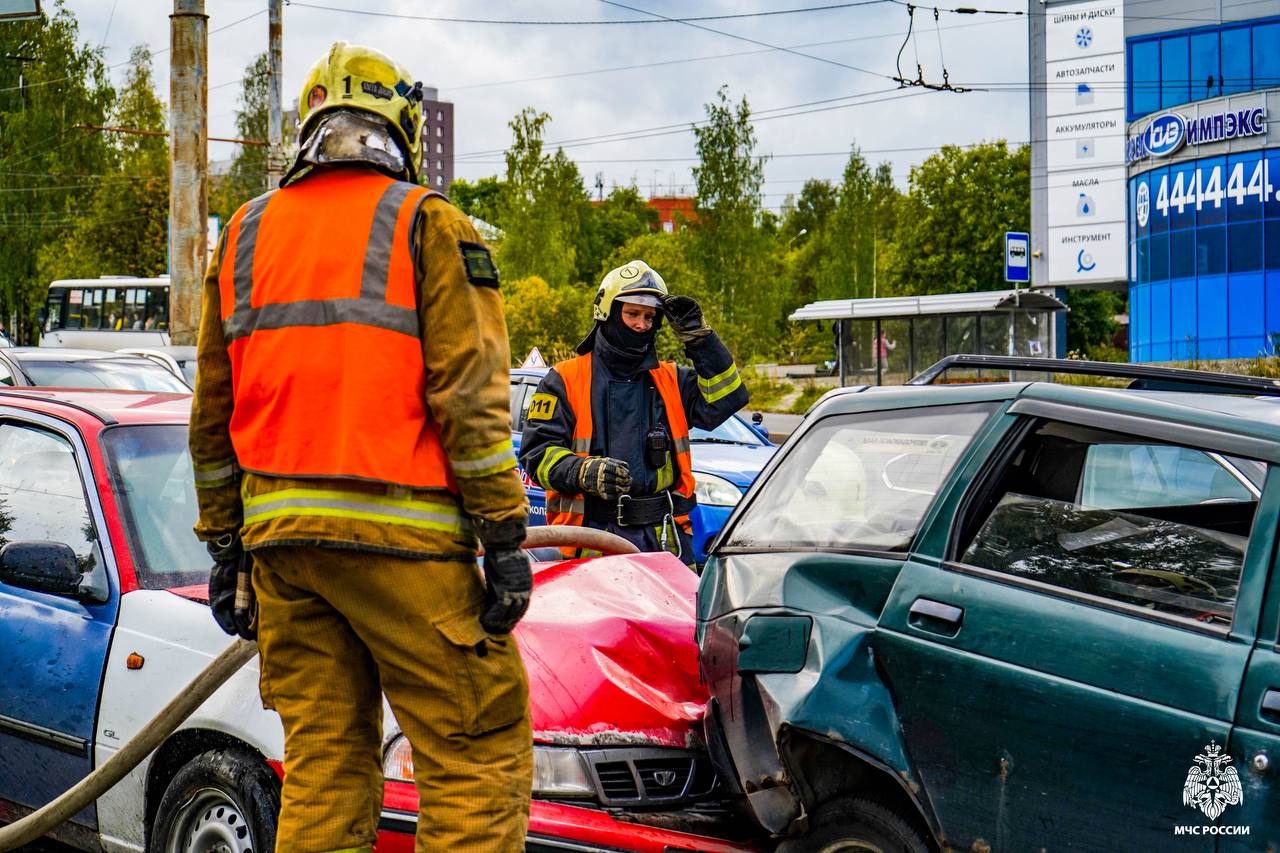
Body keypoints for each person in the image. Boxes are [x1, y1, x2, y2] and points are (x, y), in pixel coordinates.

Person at [188, 42, 532, 852]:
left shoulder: (241, 235)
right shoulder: (428, 221)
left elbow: (211, 414)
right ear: (398, 127)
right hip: (403, 548)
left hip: (284, 557)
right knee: (475, 754)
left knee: (325, 765)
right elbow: (472, 399)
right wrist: (505, 535)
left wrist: (226, 546)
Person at [519, 260, 747, 562]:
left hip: (664, 541)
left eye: (650, 316)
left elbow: (728, 397)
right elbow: (537, 454)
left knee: (678, 611)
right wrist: (584, 471)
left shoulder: (671, 380)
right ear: (608, 312)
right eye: (632, 314)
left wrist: (700, 339)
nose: (642, 325)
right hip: (590, 539)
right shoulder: (564, 380)